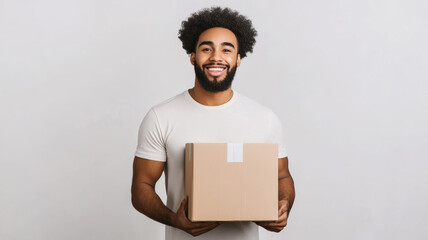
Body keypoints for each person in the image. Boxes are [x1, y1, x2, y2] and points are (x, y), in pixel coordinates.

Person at [131, 6, 295, 240]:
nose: (216, 57)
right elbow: (141, 185)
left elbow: (282, 177)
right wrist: (173, 219)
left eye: (226, 50)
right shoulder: (161, 116)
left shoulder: (264, 118)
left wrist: (283, 206)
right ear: (193, 56)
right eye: (206, 48)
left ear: (238, 59)